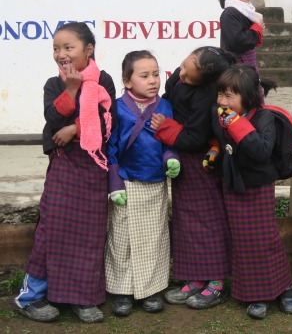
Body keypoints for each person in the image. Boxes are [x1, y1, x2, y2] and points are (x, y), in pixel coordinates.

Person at [15, 22, 115, 323]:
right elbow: (52, 119)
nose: (61, 54)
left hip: (93, 167)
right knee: (51, 231)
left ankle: (83, 299)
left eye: (68, 47)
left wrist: (77, 127)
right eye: (56, 48)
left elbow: (107, 118)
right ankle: (30, 297)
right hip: (64, 166)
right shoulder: (54, 84)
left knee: (88, 235)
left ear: (88, 50)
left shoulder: (104, 81)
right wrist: (71, 89)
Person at [210, 64, 292, 319]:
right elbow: (219, 140)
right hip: (233, 185)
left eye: (229, 96)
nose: (222, 101)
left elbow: (260, 150)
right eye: (220, 95)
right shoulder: (223, 116)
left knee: (266, 239)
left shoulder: (263, 118)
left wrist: (236, 125)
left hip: (258, 187)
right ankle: (256, 294)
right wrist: (214, 150)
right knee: (242, 242)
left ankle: (284, 286)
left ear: (248, 97)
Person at [152, 47, 234, 309]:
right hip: (182, 163)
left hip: (201, 162)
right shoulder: (180, 75)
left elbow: (194, 137)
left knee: (209, 220)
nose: (182, 74)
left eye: (189, 75)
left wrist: (164, 126)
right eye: (185, 66)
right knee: (186, 221)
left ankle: (217, 282)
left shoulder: (206, 96)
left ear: (206, 82)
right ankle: (195, 278)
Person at [105, 51, 179, 316]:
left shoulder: (166, 107)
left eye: (156, 74)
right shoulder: (117, 108)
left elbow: (170, 140)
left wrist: (171, 158)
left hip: (155, 183)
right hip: (126, 181)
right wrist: (114, 181)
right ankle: (123, 291)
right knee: (122, 237)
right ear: (127, 81)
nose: (153, 81)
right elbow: (111, 145)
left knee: (153, 238)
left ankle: (150, 291)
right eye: (144, 75)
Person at [218, 0, 265, 74]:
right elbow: (236, 39)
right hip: (238, 59)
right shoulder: (229, 13)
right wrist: (256, 30)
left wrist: (257, 28)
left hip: (247, 55)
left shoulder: (246, 11)